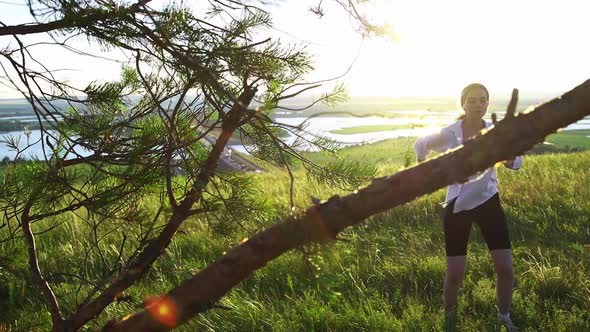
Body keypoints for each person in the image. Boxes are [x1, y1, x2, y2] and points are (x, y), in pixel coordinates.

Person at [413, 83, 522, 332]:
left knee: (505, 269)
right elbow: (421, 144)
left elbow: (516, 162)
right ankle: (449, 319)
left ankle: (504, 317)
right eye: (472, 100)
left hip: (489, 203)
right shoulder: (450, 134)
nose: (477, 104)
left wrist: (504, 155)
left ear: (487, 104)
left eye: (482, 100)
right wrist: (423, 171)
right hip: (457, 206)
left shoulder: (495, 132)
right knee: (455, 275)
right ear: (463, 103)